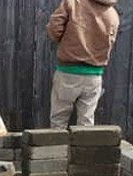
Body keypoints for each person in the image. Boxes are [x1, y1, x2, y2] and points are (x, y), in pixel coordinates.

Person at [47, 0, 119, 129]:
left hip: (68, 72)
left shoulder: (73, 3)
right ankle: (83, 149)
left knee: (59, 120)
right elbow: (110, 43)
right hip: (94, 76)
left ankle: (57, 148)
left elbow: (54, 27)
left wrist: (63, 41)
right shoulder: (112, 14)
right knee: (86, 122)